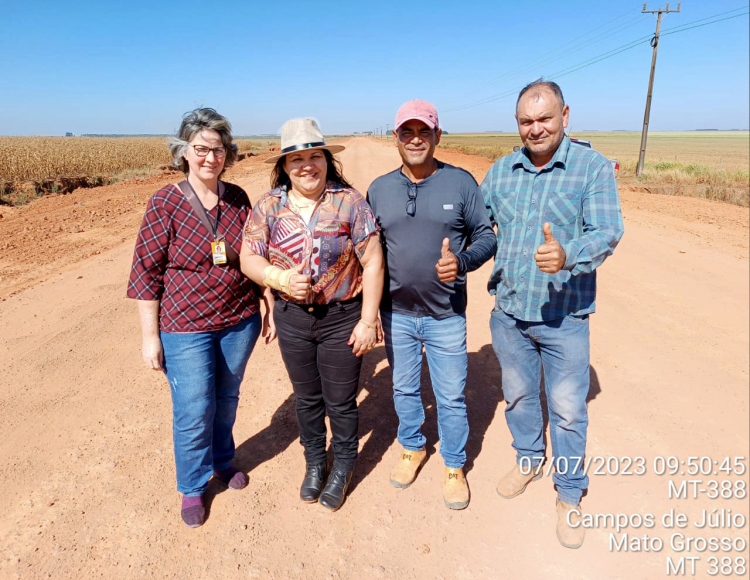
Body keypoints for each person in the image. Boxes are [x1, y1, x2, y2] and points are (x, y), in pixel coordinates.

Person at [480, 80, 624, 548]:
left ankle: (569, 494)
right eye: (526, 121)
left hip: (565, 316)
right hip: (510, 313)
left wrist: (568, 255)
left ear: (565, 115)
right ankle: (527, 461)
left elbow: (607, 231)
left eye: (545, 118)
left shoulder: (592, 168)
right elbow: (477, 228)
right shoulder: (501, 172)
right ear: (517, 124)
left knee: (566, 410)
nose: (536, 128)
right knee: (519, 397)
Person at [127, 107, 271, 528]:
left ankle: (223, 461)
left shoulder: (239, 198)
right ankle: (192, 485)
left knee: (226, 400)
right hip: (185, 327)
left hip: (238, 321)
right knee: (193, 408)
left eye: (219, 148)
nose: (211, 156)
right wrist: (149, 336)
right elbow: (145, 271)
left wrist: (267, 302)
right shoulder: (165, 202)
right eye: (201, 148)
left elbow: (254, 257)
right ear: (185, 151)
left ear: (228, 153)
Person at [241, 118, 384, 512]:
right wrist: (279, 277)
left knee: (340, 401)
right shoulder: (269, 205)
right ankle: (315, 463)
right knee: (306, 399)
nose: (307, 165)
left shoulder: (349, 202)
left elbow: (372, 261)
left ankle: (343, 465)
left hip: (341, 317)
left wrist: (368, 320)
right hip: (292, 318)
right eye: (297, 158)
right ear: (284, 166)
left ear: (326, 160)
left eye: (314, 156)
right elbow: (248, 256)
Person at [367, 100, 496, 510]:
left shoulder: (460, 183)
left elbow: (486, 237)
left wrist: (461, 262)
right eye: (408, 132)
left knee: (450, 395)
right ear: (396, 138)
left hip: (445, 314)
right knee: (404, 387)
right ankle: (412, 447)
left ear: (438, 136)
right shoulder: (379, 188)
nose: (416, 139)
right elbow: (368, 251)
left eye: (425, 131)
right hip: (397, 313)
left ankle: (455, 465)